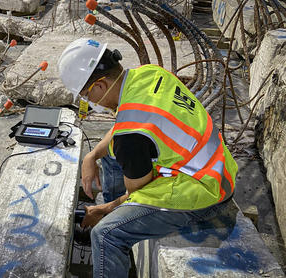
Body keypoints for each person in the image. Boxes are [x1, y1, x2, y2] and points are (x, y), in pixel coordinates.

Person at [58, 38, 238, 277]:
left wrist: (104, 209)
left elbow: (136, 194)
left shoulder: (130, 137)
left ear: (99, 86)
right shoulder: (149, 74)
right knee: (112, 156)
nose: (89, 102)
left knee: (105, 235)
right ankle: (122, 244)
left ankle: (117, 239)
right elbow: (128, 125)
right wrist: (92, 156)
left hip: (204, 193)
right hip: (217, 168)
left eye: (86, 96)